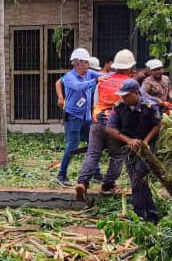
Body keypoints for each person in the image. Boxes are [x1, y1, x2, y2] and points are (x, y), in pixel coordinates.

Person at [75, 49, 137, 201]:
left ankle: (82, 182)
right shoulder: (130, 83)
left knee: (92, 153)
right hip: (115, 125)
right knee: (117, 156)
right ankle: (107, 185)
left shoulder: (103, 79)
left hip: (97, 122)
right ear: (130, 67)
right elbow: (133, 106)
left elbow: (95, 101)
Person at [105, 79, 162, 223]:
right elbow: (110, 128)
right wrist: (128, 141)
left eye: (126, 95)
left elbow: (157, 125)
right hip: (129, 147)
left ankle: (139, 215)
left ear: (136, 94)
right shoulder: (118, 106)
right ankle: (151, 214)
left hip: (147, 149)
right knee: (138, 181)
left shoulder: (149, 106)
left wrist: (146, 141)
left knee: (138, 179)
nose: (122, 98)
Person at [56, 48, 107, 187]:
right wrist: (95, 81)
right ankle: (61, 174)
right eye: (85, 62)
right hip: (73, 117)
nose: (87, 65)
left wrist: (118, 74)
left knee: (93, 145)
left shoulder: (88, 73)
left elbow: (104, 75)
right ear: (77, 63)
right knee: (72, 146)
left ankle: (96, 174)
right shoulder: (69, 77)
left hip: (86, 117)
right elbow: (78, 87)